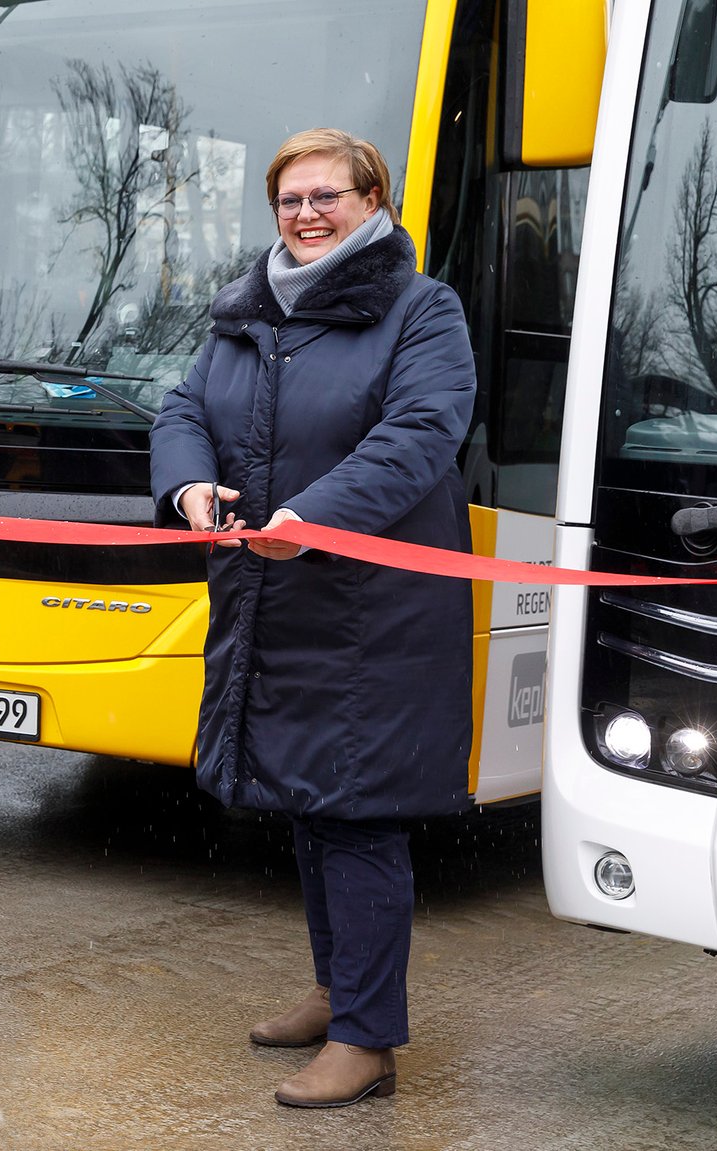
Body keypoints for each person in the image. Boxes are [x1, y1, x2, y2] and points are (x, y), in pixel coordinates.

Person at [148, 129, 477, 1108]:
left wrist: (310, 517)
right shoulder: (244, 314)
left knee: (357, 811)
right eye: (288, 199)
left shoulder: (420, 310)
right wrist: (188, 486)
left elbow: (419, 432)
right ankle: (338, 988)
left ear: (370, 199)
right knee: (306, 802)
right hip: (272, 599)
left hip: (371, 616)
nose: (303, 215)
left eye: (324, 196)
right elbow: (182, 409)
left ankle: (366, 1040)